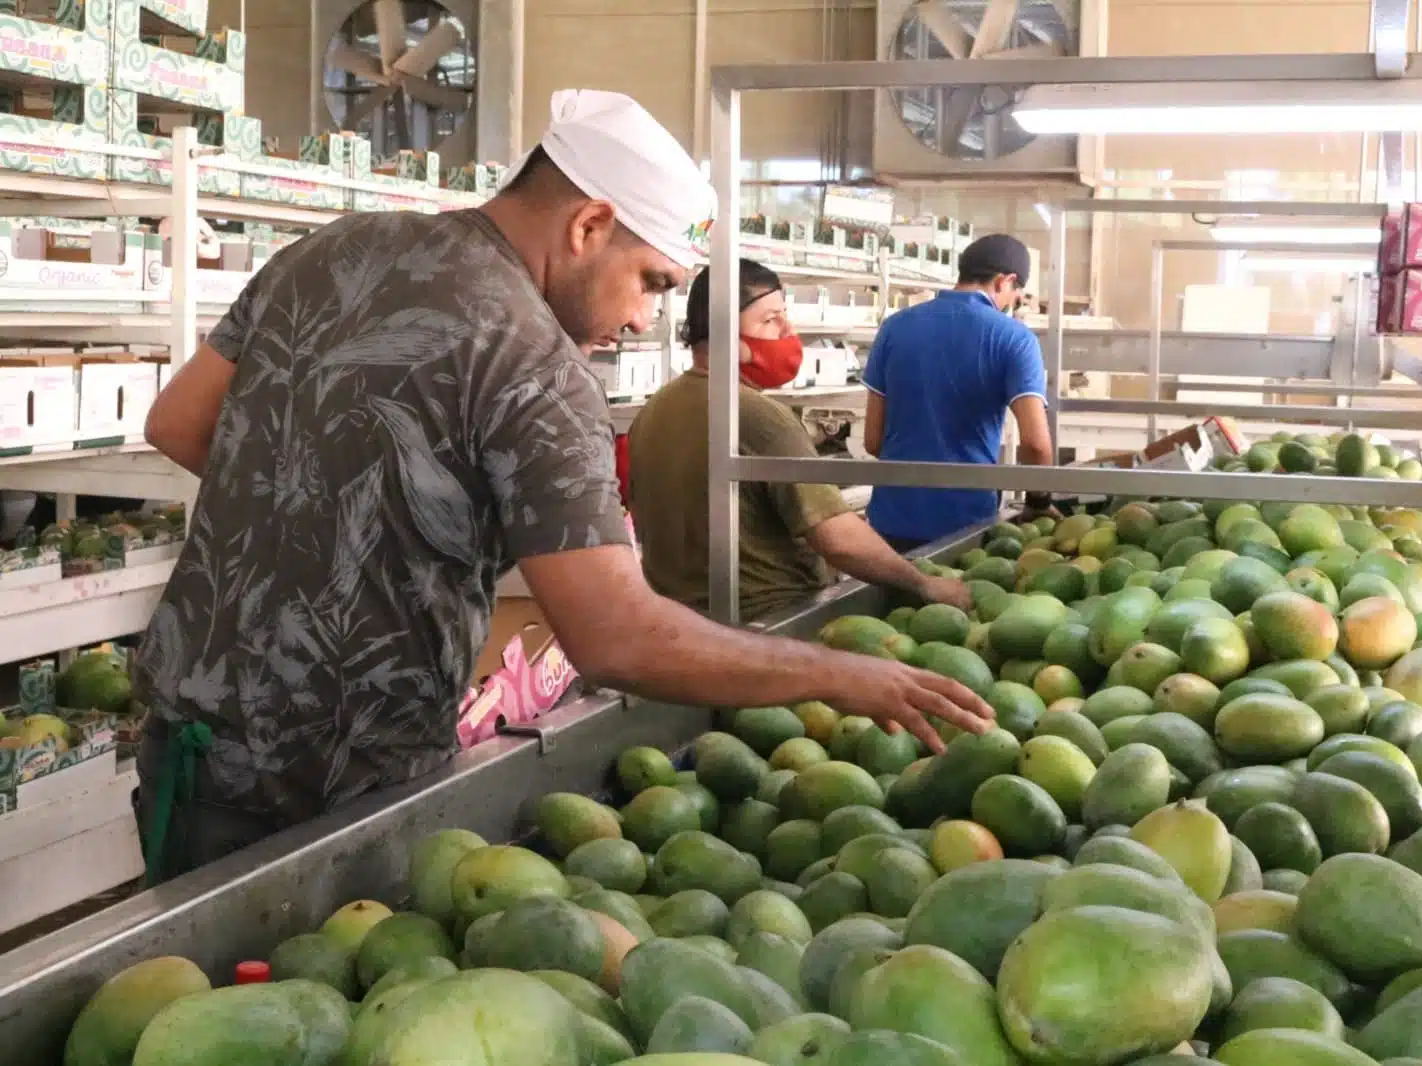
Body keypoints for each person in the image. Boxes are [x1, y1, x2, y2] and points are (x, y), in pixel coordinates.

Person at [133, 89, 990, 883]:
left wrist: (351, 500)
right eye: (653, 281)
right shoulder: (535, 367)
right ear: (590, 224)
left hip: (190, 739)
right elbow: (615, 639)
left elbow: (178, 423)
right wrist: (833, 674)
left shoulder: (331, 250)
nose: (646, 317)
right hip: (344, 767)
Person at [628, 259, 972, 622]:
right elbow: (836, 537)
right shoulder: (757, 415)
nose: (788, 332)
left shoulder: (652, 411)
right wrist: (922, 584)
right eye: (771, 319)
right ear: (723, 330)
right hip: (767, 621)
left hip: (680, 621)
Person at [863, 233, 1057, 551]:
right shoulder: (1015, 338)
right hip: (965, 524)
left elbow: (873, 441)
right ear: (1004, 281)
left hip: (891, 520)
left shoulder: (895, 327)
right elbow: (1036, 444)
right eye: (1016, 293)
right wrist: (1038, 500)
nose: (1012, 302)